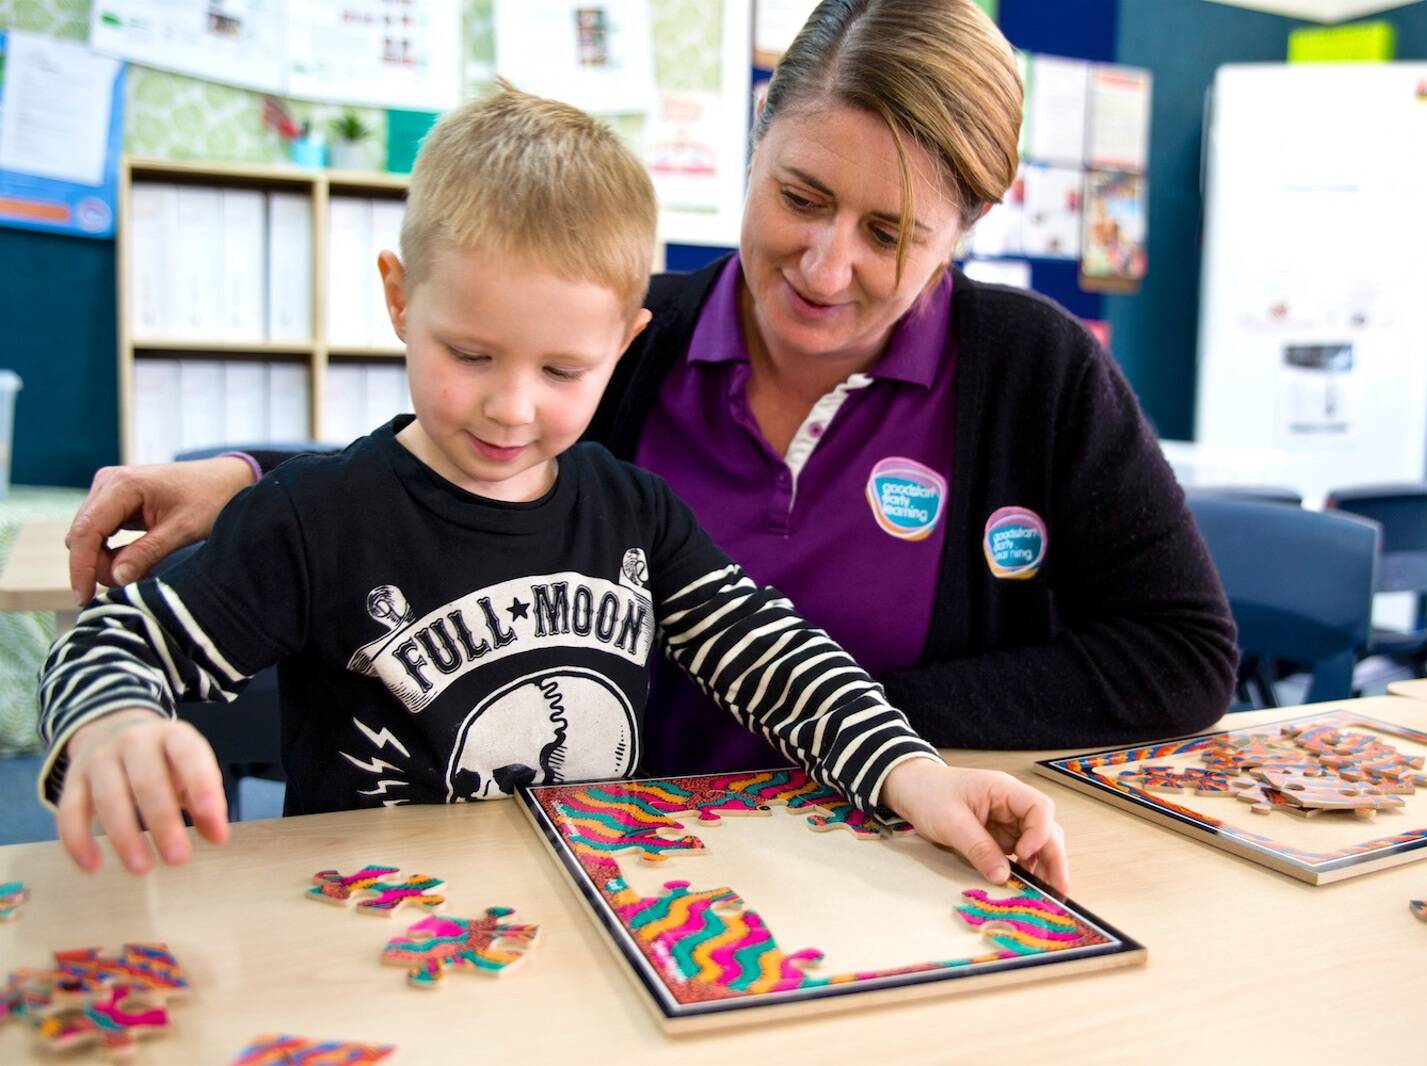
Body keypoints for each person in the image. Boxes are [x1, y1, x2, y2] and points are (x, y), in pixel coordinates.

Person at [65, 0, 1235, 774]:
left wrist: (847, 724)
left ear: (970, 225)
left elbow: (1182, 654)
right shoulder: (628, 338)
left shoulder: (1035, 375)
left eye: (889, 232)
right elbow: (464, 457)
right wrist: (250, 477)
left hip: (867, 838)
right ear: (757, 133)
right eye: (801, 197)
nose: (826, 268)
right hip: (591, 852)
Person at [38, 84, 1068, 892]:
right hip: (364, 937)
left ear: (624, 345)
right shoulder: (319, 519)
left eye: (561, 371)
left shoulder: (637, 511)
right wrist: (114, 726)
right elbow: (108, 640)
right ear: (400, 299)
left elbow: (780, 661)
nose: (511, 409)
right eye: (471, 353)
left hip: (591, 921)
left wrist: (914, 776)